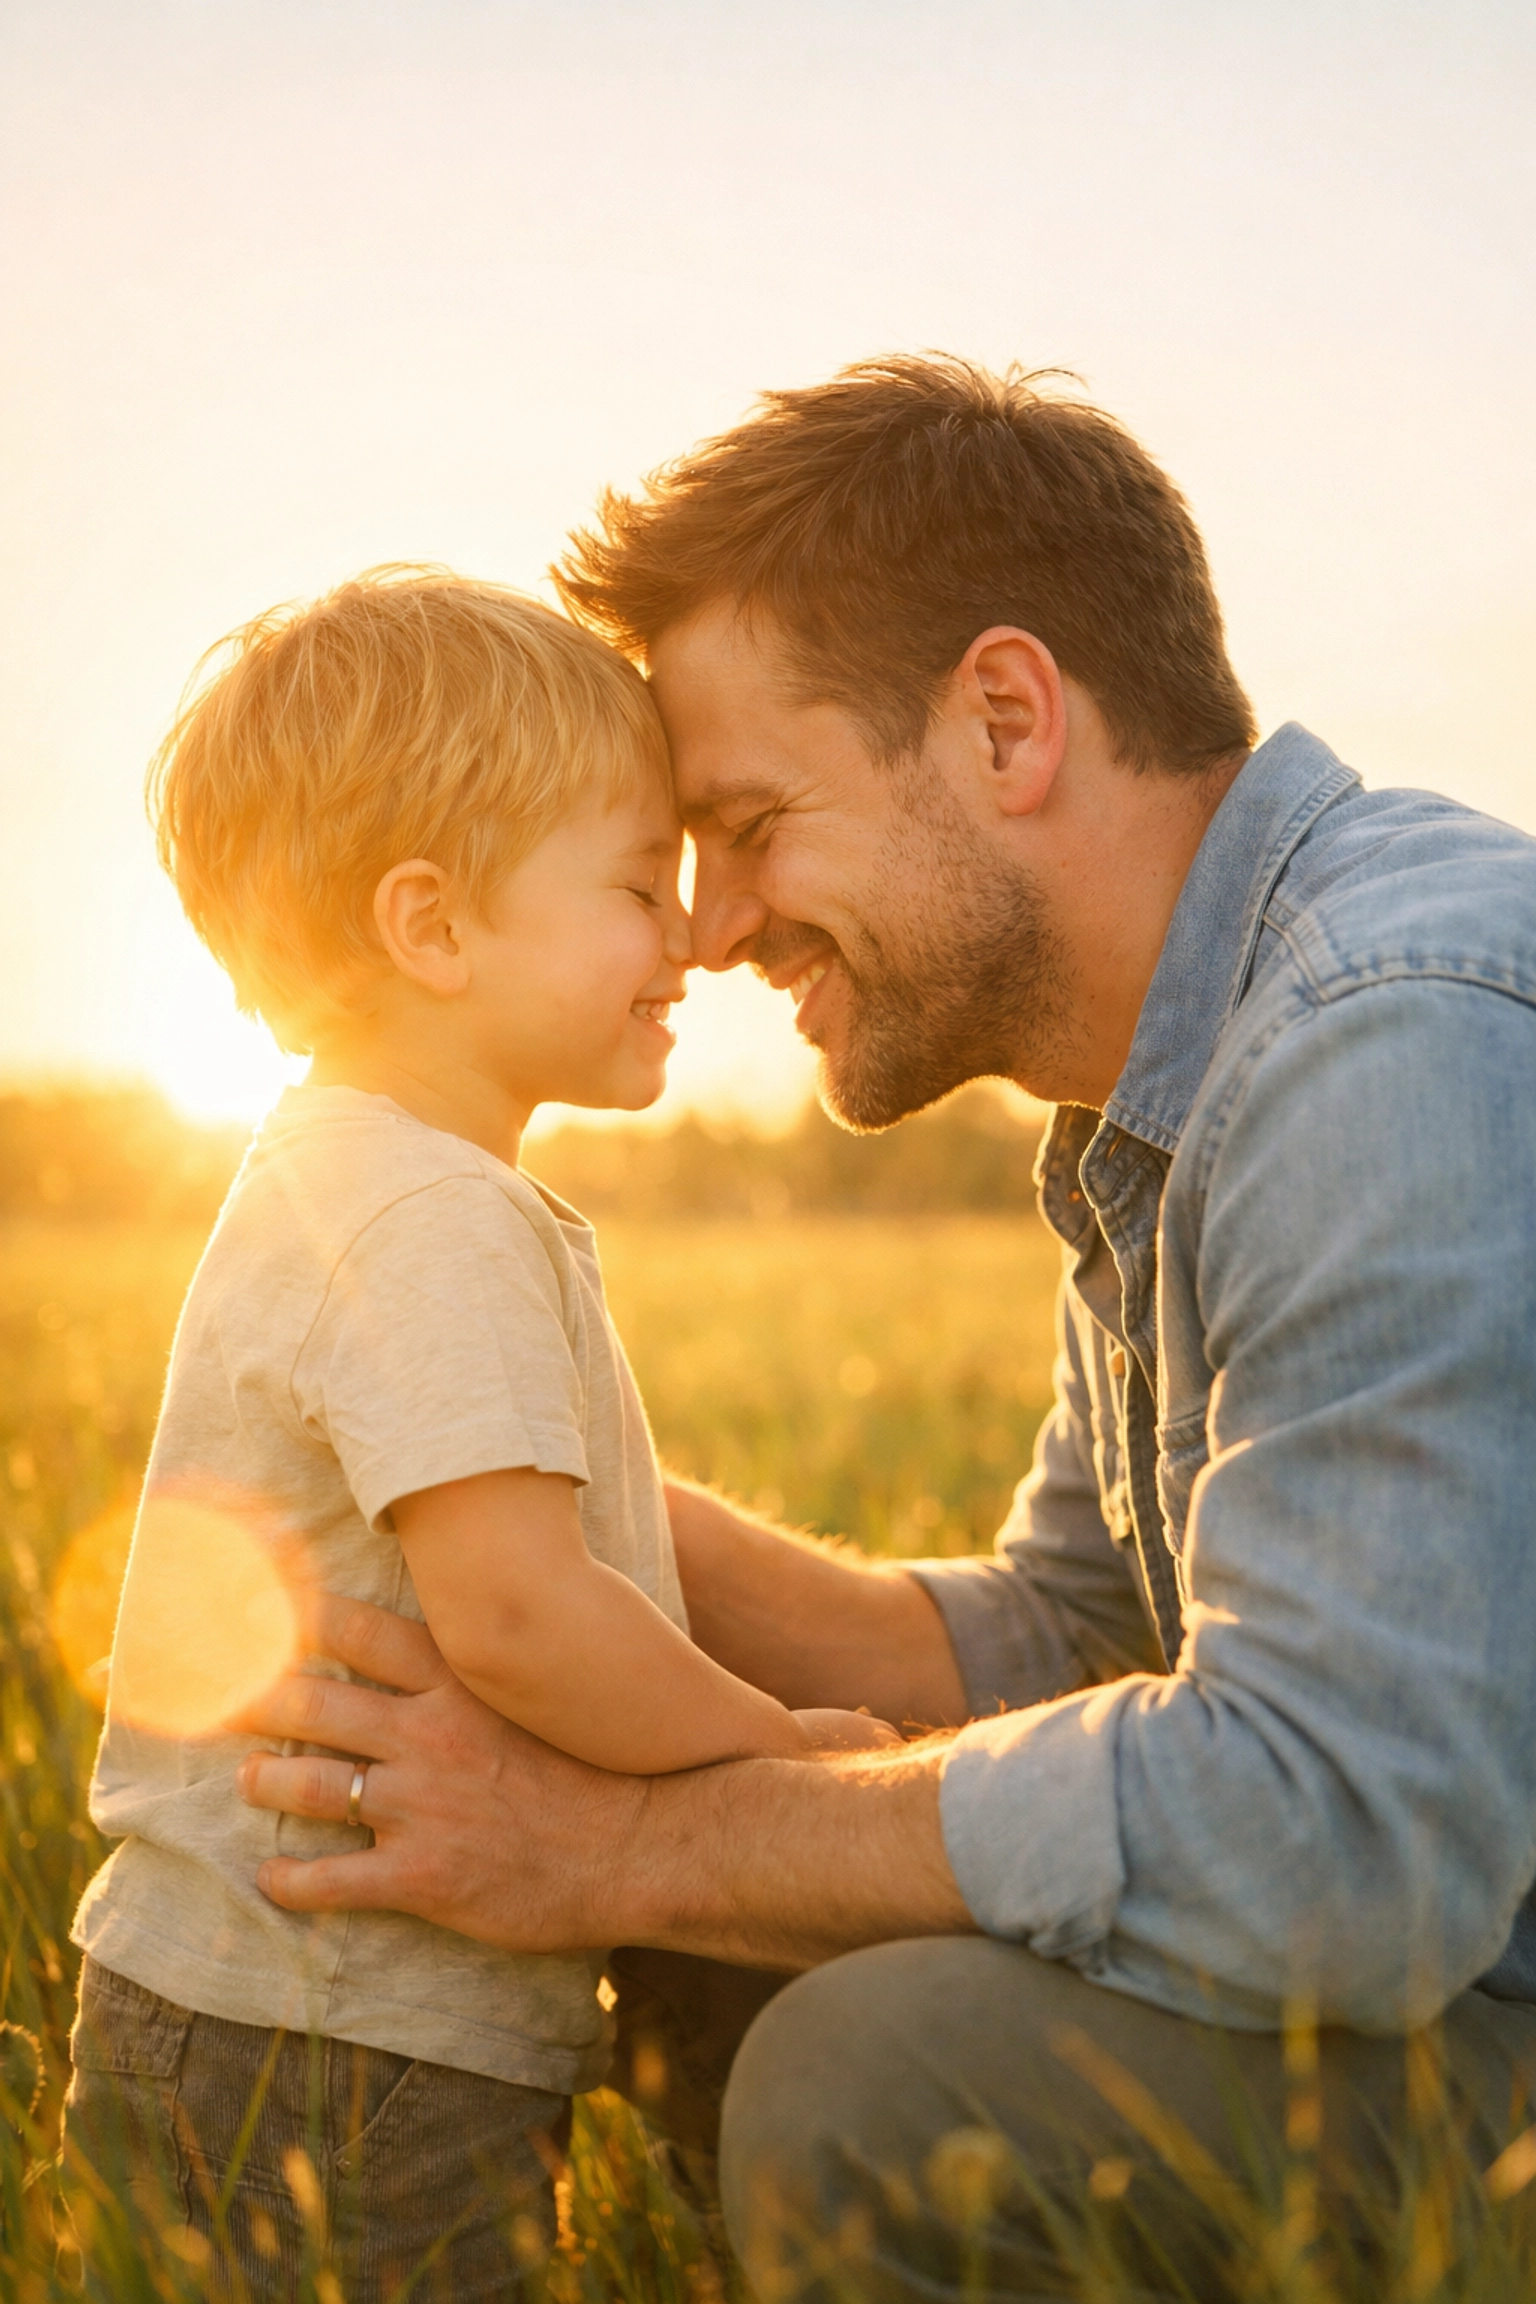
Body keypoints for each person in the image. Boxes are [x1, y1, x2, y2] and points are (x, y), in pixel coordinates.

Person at [235, 360, 1536, 2300]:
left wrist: (636, 1845)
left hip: (1454, 1954)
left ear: (1006, 719)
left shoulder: (1384, 1036)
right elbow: (1076, 1640)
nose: (713, 924)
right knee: (746, 1951)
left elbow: (1335, 1840)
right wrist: (500, 1474)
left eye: (750, 822)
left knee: (870, 2072)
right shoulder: (1164, 1097)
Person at [64, 570, 890, 2302]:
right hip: (338, 2047)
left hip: (272, 2011)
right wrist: (777, 1768)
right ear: (433, 928)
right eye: (632, 889)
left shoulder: (362, 1180)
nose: (689, 940)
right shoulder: (422, 1214)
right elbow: (518, 1612)